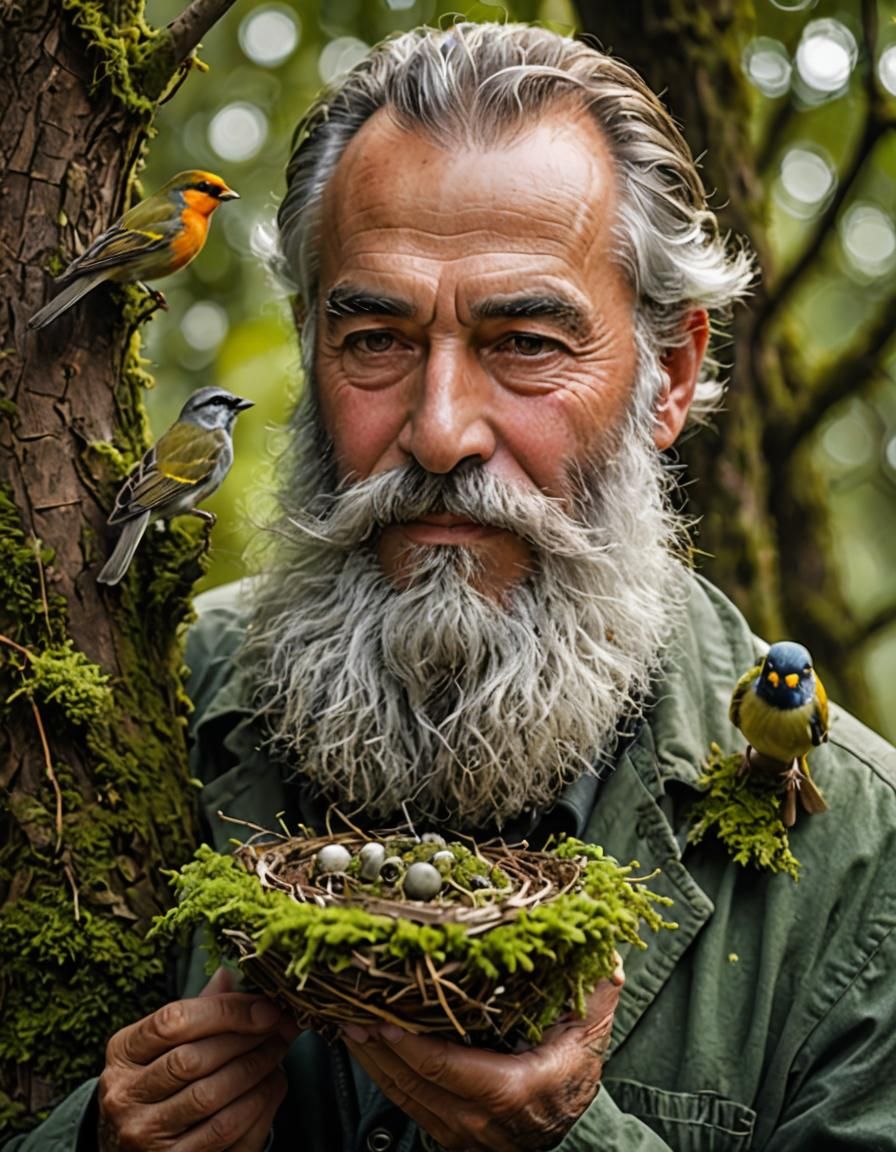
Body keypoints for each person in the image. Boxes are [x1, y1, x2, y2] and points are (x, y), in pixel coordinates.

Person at [8, 21, 896, 1152]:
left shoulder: (854, 860)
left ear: (668, 378)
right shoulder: (135, 713)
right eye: (374, 337)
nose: (436, 434)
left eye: (524, 342)